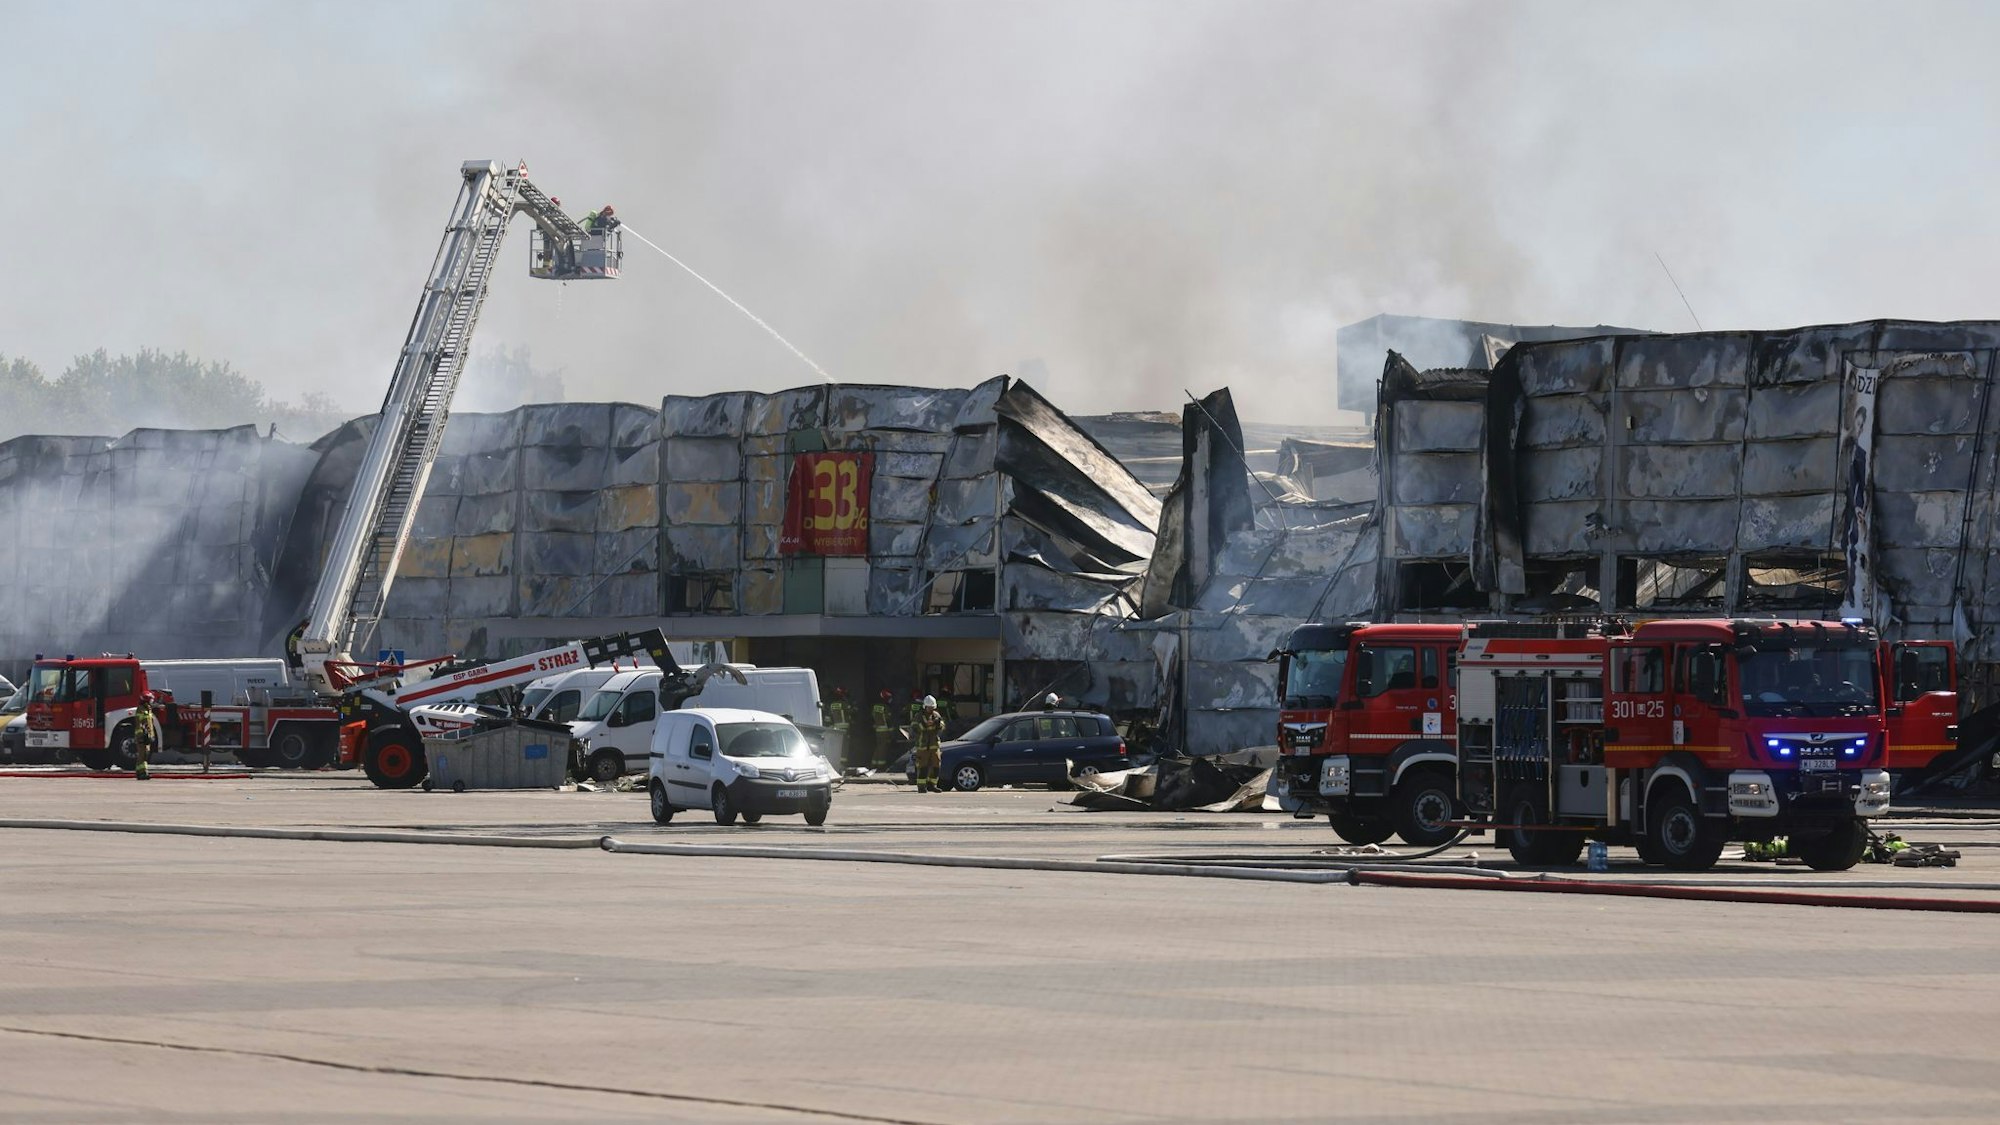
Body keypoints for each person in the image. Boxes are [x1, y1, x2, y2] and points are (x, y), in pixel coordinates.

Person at [913, 695, 945, 793]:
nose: (930, 709)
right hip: (923, 746)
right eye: (929, 707)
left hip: (934, 745)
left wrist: (938, 723)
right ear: (925, 707)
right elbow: (916, 727)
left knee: (936, 765)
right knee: (923, 766)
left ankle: (932, 785)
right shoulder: (919, 716)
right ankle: (921, 786)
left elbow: (942, 726)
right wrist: (926, 725)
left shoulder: (936, 715)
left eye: (932, 707)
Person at [132, 691, 161, 781]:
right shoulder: (141, 709)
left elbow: (149, 724)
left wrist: (151, 735)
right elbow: (139, 724)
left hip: (146, 736)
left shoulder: (147, 709)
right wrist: (142, 736)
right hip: (142, 736)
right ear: (146, 700)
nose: (152, 701)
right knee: (142, 755)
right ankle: (142, 773)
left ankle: (141, 772)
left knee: (145, 754)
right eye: (150, 700)